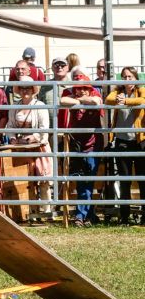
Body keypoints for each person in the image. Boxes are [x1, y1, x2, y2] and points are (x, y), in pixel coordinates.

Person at [6, 77, 53, 219]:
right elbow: (10, 127)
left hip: (39, 148)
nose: (25, 90)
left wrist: (33, 137)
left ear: (33, 90)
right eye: (22, 88)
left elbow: (45, 129)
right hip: (22, 148)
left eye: (28, 88)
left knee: (43, 178)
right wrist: (13, 137)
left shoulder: (40, 106)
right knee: (27, 180)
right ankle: (31, 211)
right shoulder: (14, 107)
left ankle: (47, 211)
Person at [60, 75, 104, 227]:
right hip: (77, 144)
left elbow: (96, 102)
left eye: (85, 88)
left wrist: (78, 99)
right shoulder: (70, 96)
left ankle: (81, 215)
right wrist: (79, 99)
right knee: (81, 179)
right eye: (79, 88)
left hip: (93, 143)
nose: (82, 90)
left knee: (88, 180)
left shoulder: (95, 95)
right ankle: (88, 215)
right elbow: (62, 101)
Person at [104, 66, 145, 225]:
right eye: (124, 77)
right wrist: (121, 99)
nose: (127, 80)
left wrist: (126, 101)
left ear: (135, 78)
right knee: (125, 181)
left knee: (142, 181)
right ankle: (124, 216)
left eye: (130, 77)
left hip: (140, 142)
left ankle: (143, 216)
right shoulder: (117, 92)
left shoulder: (140, 91)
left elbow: (143, 101)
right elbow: (108, 99)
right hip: (122, 142)